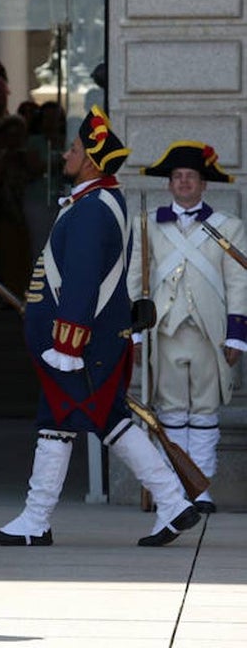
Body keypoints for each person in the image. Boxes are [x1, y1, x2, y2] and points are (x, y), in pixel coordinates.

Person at [0, 107, 200, 548]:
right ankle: (173, 503)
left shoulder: (91, 210)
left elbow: (81, 282)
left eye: (75, 149)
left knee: (63, 420)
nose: (65, 155)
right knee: (99, 420)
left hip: (81, 346)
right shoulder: (95, 203)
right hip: (90, 343)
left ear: (93, 160)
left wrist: (65, 342)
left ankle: (37, 518)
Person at [128, 141, 247, 514]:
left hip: (210, 332)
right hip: (164, 330)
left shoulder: (228, 227)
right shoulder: (146, 225)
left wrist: (237, 335)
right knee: (172, 410)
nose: (183, 182)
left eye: (190, 177)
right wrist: (133, 332)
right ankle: (176, 488)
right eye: (178, 177)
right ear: (169, 184)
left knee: (205, 411)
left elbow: (237, 284)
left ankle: (202, 488)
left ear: (203, 184)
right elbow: (135, 279)